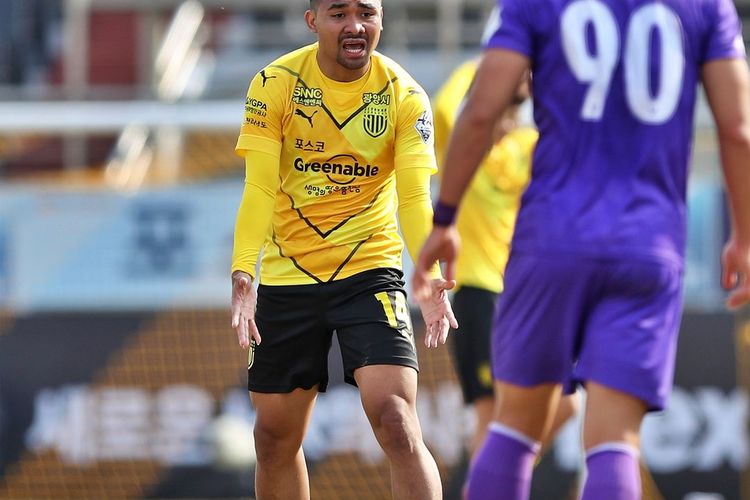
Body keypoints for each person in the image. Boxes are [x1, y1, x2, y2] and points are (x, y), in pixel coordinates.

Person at [414, 0, 750, 499]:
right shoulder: (708, 6)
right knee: (615, 441)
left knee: (512, 429)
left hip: (551, 240)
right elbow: (738, 131)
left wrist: (444, 219)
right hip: (647, 243)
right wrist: (744, 236)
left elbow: (480, 110)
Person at [230, 1, 457, 499]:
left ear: (382, 19)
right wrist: (244, 271)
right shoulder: (275, 83)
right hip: (289, 275)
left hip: (369, 270)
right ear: (312, 21)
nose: (355, 26)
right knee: (273, 439)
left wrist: (428, 272)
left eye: (366, 13)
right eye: (338, 14)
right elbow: (260, 188)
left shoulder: (404, 95)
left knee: (396, 419)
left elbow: (414, 198)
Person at [433, 62, 578, 460]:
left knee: (566, 403)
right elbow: (443, 108)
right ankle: (492, 481)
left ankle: (505, 473)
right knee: (492, 411)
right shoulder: (461, 150)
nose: (506, 121)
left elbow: (564, 136)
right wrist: (488, 62)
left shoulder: (524, 147)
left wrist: (534, 75)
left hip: (520, 293)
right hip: (476, 291)